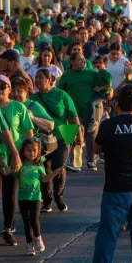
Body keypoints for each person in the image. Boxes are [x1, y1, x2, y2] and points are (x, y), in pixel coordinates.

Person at [93, 85, 132, 263]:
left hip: (116, 188)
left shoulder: (109, 125)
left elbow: (96, 149)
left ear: (117, 104)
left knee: (108, 236)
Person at [0, 75, 34, 247]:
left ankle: (7, 230)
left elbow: (28, 131)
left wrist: (26, 154)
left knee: (10, 196)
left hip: (14, 157)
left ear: (10, 89)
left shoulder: (18, 107)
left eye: (3, 86)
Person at [30, 69, 81, 213]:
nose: (38, 80)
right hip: (41, 138)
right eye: (36, 77)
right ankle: (47, 199)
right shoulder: (33, 97)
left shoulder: (61, 95)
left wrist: (78, 134)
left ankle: (59, 195)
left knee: (59, 167)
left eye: (41, 78)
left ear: (49, 79)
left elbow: (72, 115)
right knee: (44, 168)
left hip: (61, 136)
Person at [17, 138, 63, 256]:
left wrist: (55, 172)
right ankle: (29, 245)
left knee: (34, 219)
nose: (32, 153)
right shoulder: (20, 165)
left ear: (38, 151)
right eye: (28, 150)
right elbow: (10, 173)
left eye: (34, 150)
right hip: (22, 198)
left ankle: (38, 238)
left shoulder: (39, 166)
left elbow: (44, 179)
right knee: (26, 222)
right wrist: (3, 166)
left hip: (36, 197)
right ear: (23, 151)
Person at [57, 53, 97, 170]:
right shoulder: (66, 75)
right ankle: (74, 162)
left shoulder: (92, 73)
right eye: (79, 60)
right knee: (73, 136)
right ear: (72, 62)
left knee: (90, 136)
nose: (83, 62)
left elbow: (104, 86)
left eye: (84, 60)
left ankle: (91, 161)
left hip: (89, 110)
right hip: (72, 111)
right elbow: (60, 92)